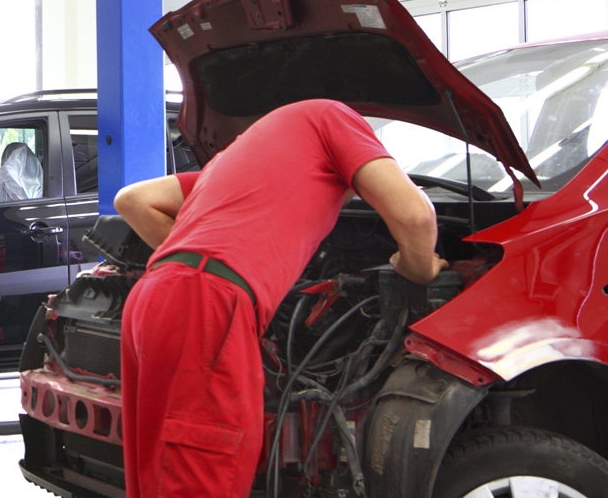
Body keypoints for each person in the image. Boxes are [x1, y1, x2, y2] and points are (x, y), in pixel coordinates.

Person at [113, 99, 449, 498]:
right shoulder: (334, 117)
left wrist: (206, 269)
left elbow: (132, 201)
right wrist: (420, 269)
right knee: (204, 472)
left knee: (160, 475)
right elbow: (415, 217)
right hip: (206, 304)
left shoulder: (240, 155)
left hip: (155, 296)